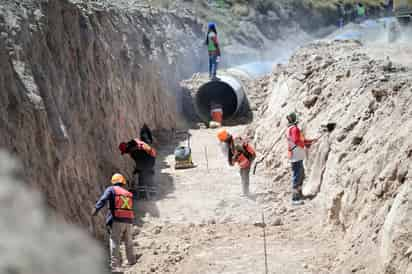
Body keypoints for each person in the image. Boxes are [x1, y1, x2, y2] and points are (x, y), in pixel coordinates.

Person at [91, 173, 136, 268]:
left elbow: (103, 199)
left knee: (114, 240)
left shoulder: (111, 189)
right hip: (129, 220)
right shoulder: (128, 193)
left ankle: (114, 264)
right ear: (123, 183)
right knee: (128, 241)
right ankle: (131, 260)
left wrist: (96, 209)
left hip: (117, 219)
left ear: (113, 182)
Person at [286, 112, 317, 205]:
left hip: (295, 155)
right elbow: (296, 141)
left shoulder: (289, 129)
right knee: (297, 176)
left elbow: (300, 140)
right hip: (296, 156)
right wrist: (305, 144)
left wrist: (310, 141)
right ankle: (295, 199)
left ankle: (299, 194)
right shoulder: (294, 129)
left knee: (301, 175)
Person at [217, 128, 256, 196]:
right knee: (242, 173)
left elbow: (240, 150)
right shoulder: (231, 142)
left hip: (248, 156)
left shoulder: (235, 143)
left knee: (244, 174)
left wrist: (235, 158)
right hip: (246, 157)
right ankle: (245, 191)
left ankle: (246, 192)